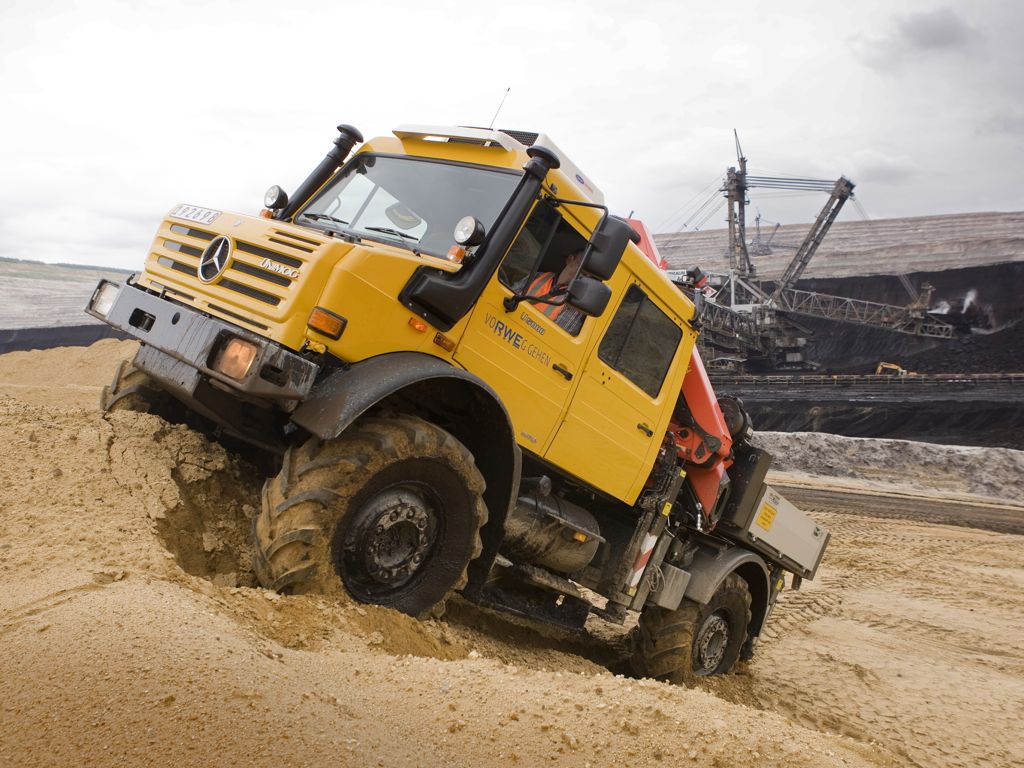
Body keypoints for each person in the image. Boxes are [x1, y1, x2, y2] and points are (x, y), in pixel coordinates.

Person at [522, 250, 586, 335]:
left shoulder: (575, 304)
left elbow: (553, 336)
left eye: (588, 273)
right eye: (582, 268)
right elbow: (510, 295)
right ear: (570, 259)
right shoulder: (539, 276)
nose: (585, 275)